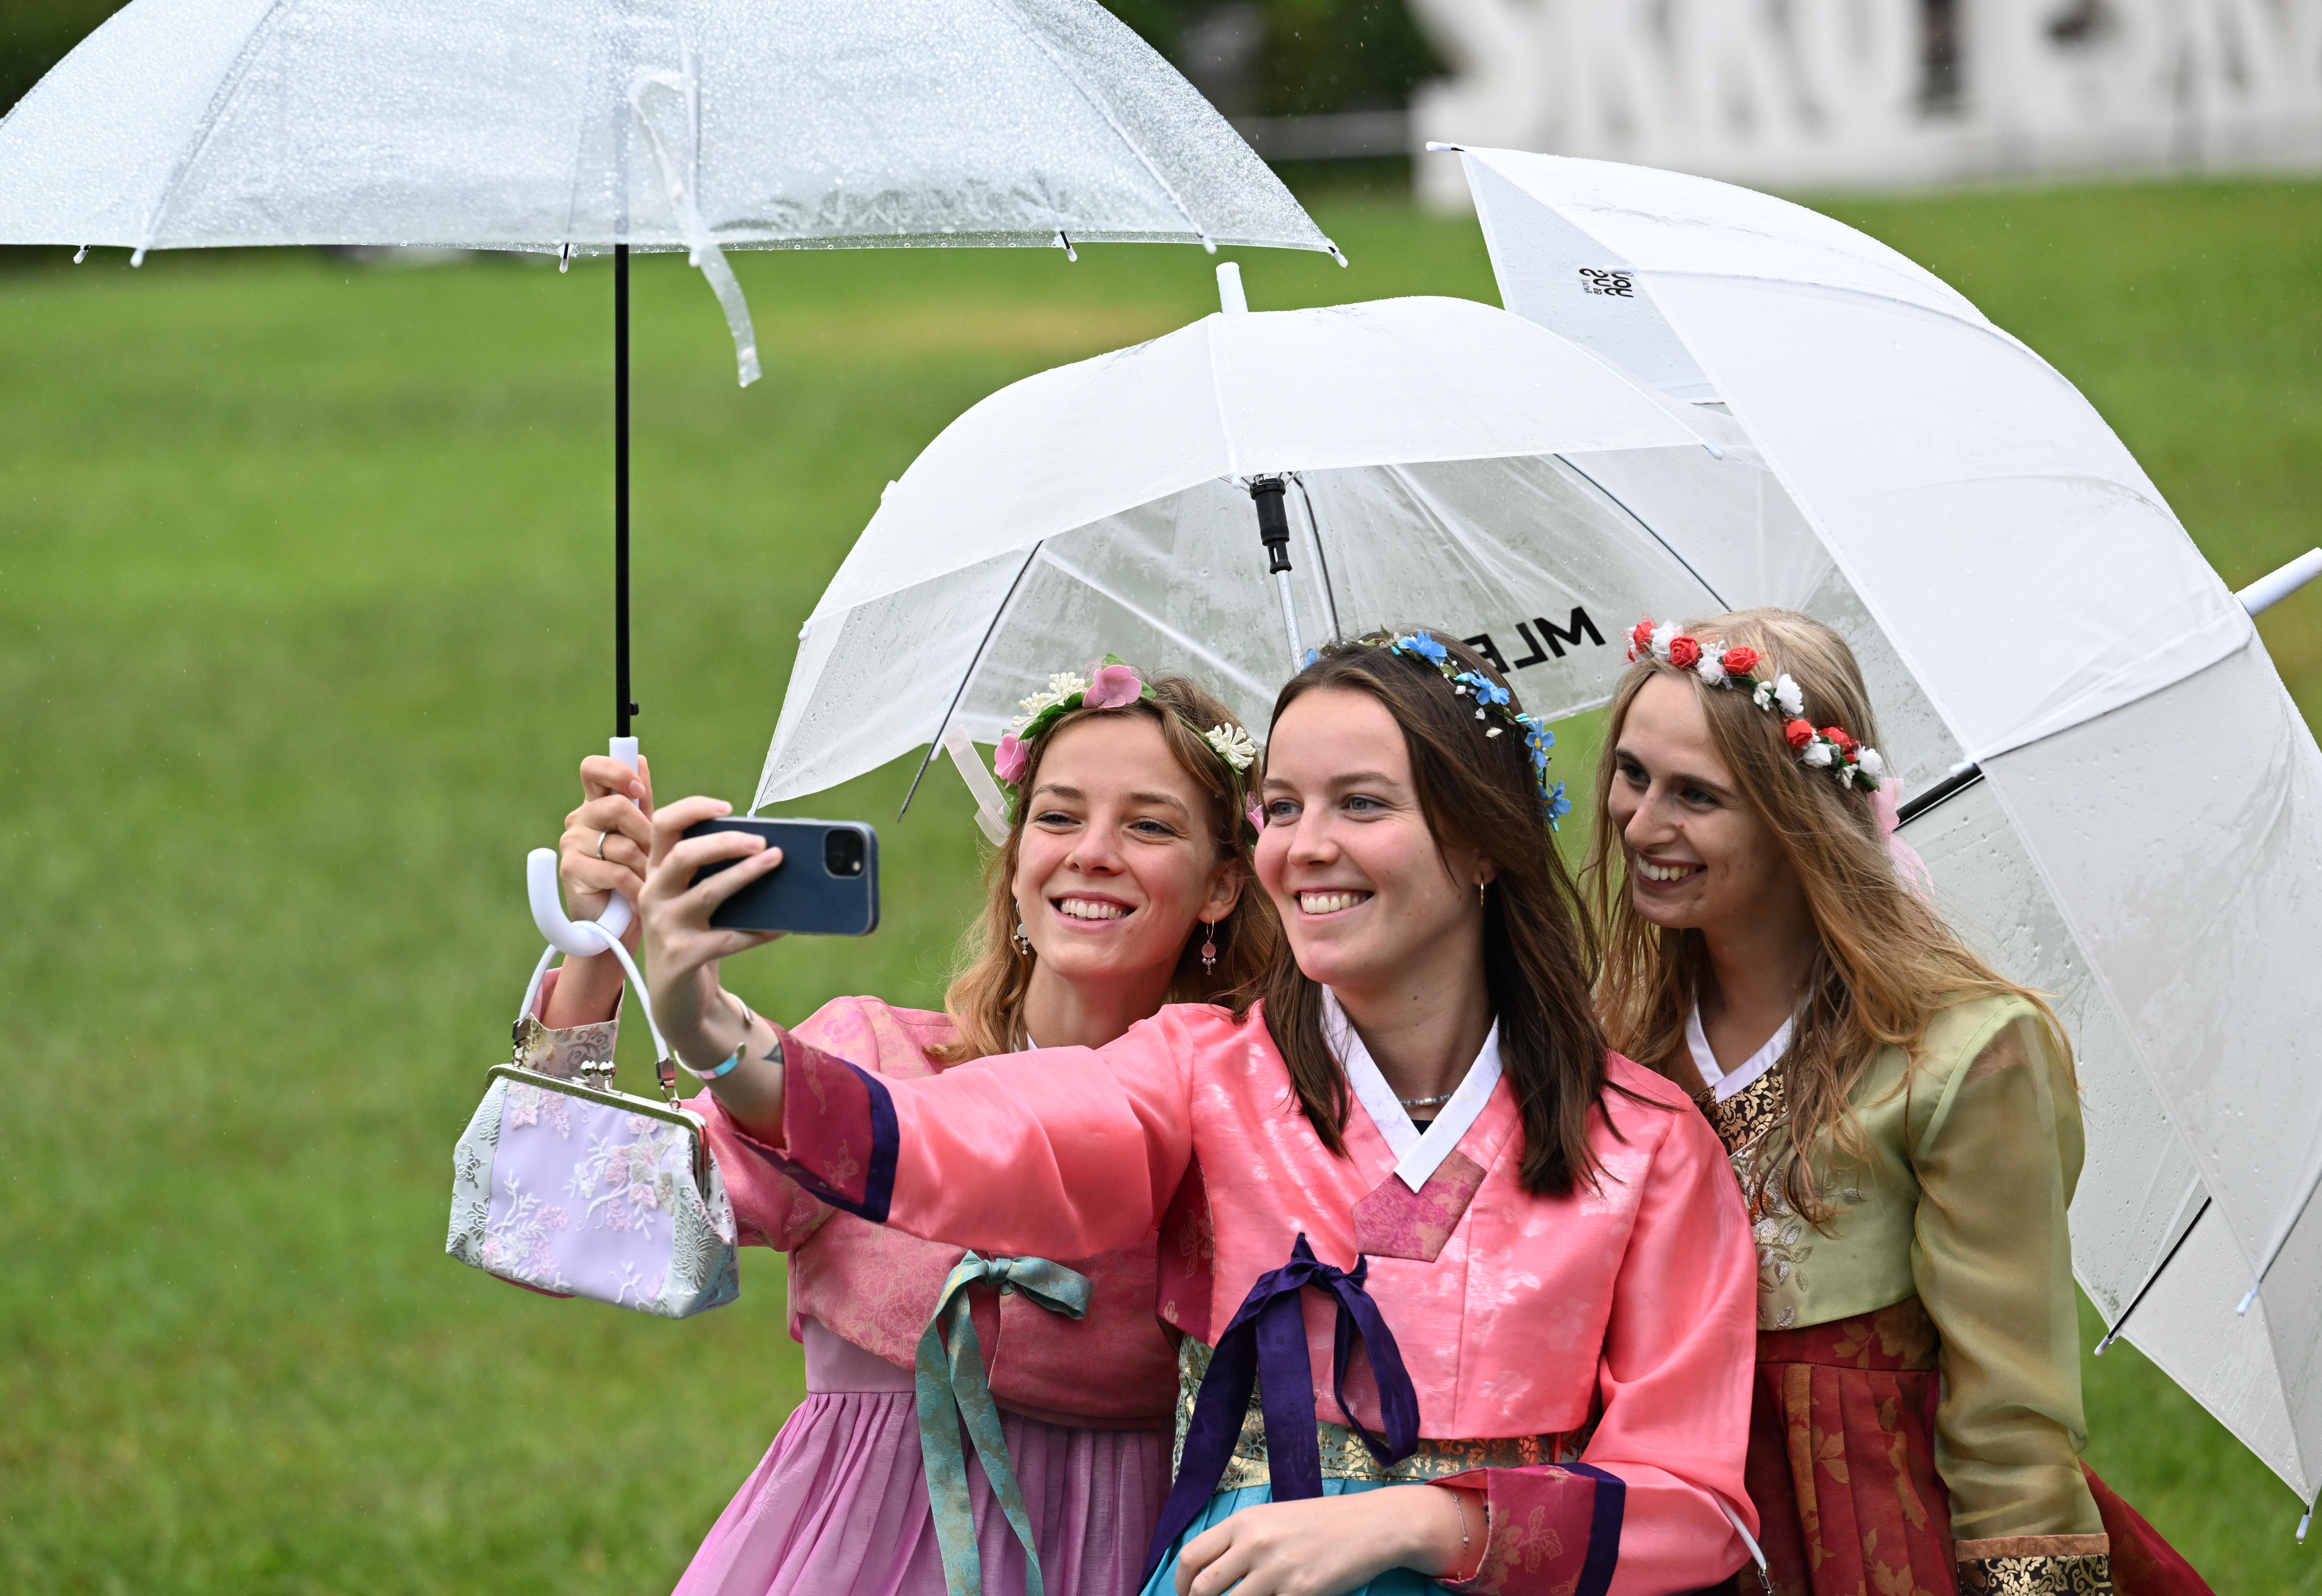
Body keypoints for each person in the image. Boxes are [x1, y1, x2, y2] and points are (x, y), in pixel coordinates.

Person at [640, 629, 1761, 1596]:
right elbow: (985, 1132)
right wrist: (722, 1042)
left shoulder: (1647, 1143)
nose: (1305, 845)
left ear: (1480, 843)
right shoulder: (1205, 1072)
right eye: (1281, 806)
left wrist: (1422, 1522)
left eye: (1360, 803)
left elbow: (1695, 1504)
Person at [520, 661, 1278, 1596]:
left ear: (1223, 886)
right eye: (1058, 814)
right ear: (1015, 855)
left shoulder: (1249, 1128)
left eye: (1150, 825)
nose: (1092, 851)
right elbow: (559, 1223)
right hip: (840, 1561)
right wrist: (593, 947)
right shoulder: (869, 1061)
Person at [1589, 608, 2211, 1596]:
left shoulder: (1963, 1054)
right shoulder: (1614, 1038)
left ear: (1797, 814)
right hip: (1656, 1526)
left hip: (1870, 1535)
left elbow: (2012, 1418)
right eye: (1632, 774)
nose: (1640, 823)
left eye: (1696, 796)